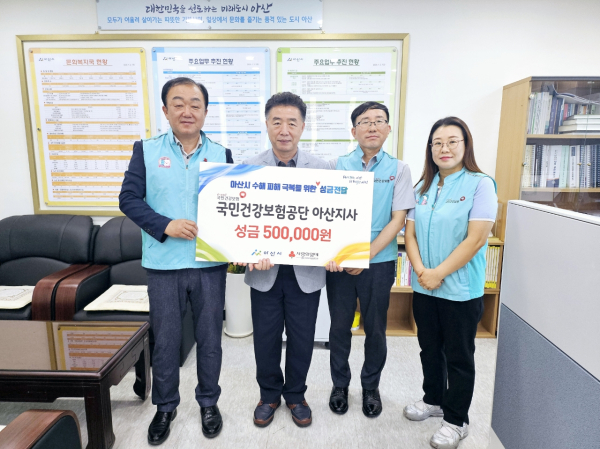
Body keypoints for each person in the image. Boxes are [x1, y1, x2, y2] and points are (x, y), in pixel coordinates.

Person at [119, 77, 233, 445]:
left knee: (210, 340)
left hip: (209, 265)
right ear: (166, 111)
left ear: (205, 111)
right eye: (178, 103)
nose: (187, 111)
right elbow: (128, 199)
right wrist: (165, 225)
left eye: (195, 104)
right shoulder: (146, 150)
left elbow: (234, 207)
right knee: (166, 341)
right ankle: (165, 407)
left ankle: (208, 403)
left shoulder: (222, 154)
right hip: (164, 265)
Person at [402, 117, 497, 449]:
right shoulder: (422, 188)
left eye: (452, 141)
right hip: (424, 286)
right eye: (438, 142)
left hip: (460, 290)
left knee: (459, 356)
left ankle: (457, 420)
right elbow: (410, 235)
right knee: (429, 348)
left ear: (465, 145)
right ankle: (433, 399)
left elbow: (476, 239)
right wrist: (420, 271)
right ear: (430, 149)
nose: (444, 148)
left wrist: (438, 272)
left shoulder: (480, 184)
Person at [238, 92, 328, 429]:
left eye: (292, 122)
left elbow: (330, 220)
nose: (284, 130)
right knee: (266, 338)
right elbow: (239, 221)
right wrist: (248, 252)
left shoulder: (323, 169)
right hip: (265, 272)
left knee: (303, 338)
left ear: (303, 126)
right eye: (277, 122)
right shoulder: (248, 167)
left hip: (306, 272)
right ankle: (268, 395)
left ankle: (296, 395)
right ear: (267, 125)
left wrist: (337, 251)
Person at [325, 102, 415, 417]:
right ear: (354, 131)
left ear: (388, 129)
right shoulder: (336, 165)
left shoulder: (399, 169)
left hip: (378, 262)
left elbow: (398, 218)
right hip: (340, 262)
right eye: (365, 121)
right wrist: (334, 253)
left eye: (379, 121)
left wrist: (365, 254)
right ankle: (339, 384)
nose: (372, 126)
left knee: (375, 328)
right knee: (339, 327)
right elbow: (325, 213)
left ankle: (370, 386)